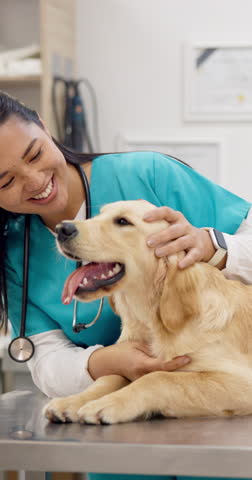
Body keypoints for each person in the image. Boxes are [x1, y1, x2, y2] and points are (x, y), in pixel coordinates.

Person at [1, 91, 252, 480]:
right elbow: (44, 361)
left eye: (34, 154)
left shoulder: (150, 176)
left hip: (220, 440)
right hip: (115, 442)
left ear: (45, 127)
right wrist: (106, 363)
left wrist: (217, 245)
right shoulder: (14, 249)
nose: (35, 182)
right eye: (5, 181)